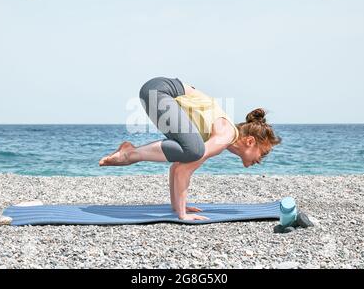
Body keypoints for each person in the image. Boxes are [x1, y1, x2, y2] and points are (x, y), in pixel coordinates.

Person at [99, 76, 282, 221]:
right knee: (194, 151)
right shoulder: (225, 135)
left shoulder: (221, 136)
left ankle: (130, 152)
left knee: (191, 151)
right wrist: (182, 215)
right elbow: (183, 170)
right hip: (162, 90)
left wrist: (177, 205)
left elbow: (177, 166)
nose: (261, 159)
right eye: (263, 153)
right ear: (250, 141)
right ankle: (130, 153)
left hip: (158, 91)